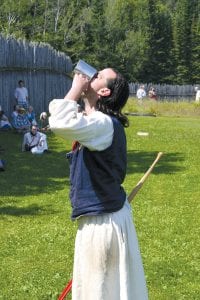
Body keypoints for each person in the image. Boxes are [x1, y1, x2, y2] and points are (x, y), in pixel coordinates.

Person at [49, 67, 148, 299]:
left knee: (101, 291)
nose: (89, 76)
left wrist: (75, 88)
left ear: (103, 90)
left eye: (97, 76)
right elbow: (59, 113)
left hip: (103, 223)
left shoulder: (102, 123)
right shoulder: (97, 122)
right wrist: (76, 93)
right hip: (103, 218)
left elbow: (60, 122)